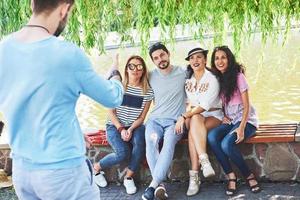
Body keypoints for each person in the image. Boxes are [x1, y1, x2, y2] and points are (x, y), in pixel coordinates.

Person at [0, 1, 124, 199]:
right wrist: (115, 75)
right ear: (65, 8)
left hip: (23, 170)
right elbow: (112, 98)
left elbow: (40, 101)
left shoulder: (3, 48)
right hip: (63, 173)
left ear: (32, 4)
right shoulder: (67, 53)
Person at [93, 55, 154, 195]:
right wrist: (121, 129)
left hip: (135, 125)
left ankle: (128, 177)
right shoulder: (118, 87)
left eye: (139, 66)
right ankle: (96, 168)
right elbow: (111, 113)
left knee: (140, 142)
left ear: (143, 70)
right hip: (114, 126)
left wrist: (131, 129)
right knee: (122, 153)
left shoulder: (147, 91)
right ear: (126, 69)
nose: (135, 69)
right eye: (131, 66)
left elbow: (142, 117)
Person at [208, 46, 261, 196]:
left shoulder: (238, 77)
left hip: (246, 120)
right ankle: (231, 175)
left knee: (226, 144)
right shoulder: (218, 79)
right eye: (217, 58)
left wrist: (241, 128)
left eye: (223, 57)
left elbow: (247, 106)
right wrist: (223, 115)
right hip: (231, 120)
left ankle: (248, 175)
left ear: (229, 59)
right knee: (212, 137)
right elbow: (222, 103)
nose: (220, 61)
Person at [175, 48, 223, 196]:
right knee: (195, 119)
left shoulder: (212, 79)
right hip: (195, 116)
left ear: (204, 60)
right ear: (189, 62)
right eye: (192, 58)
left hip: (213, 115)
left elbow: (203, 107)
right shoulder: (188, 80)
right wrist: (186, 113)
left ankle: (194, 177)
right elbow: (189, 102)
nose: (195, 60)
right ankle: (204, 162)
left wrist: (183, 116)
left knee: (193, 132)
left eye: (199, 57)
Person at [142, 42, 186, 200]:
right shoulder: (150, 76)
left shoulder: (183, 72)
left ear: (168, 54)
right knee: (151, 141)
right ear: (153, 61)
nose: (160, 59)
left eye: (162, 55)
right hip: (154, 120)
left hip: (175, 121)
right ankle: (159, 185)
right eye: (156, 58)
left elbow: (201, 85)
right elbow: (129, 82)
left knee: (168, 141)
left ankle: (153, 185)